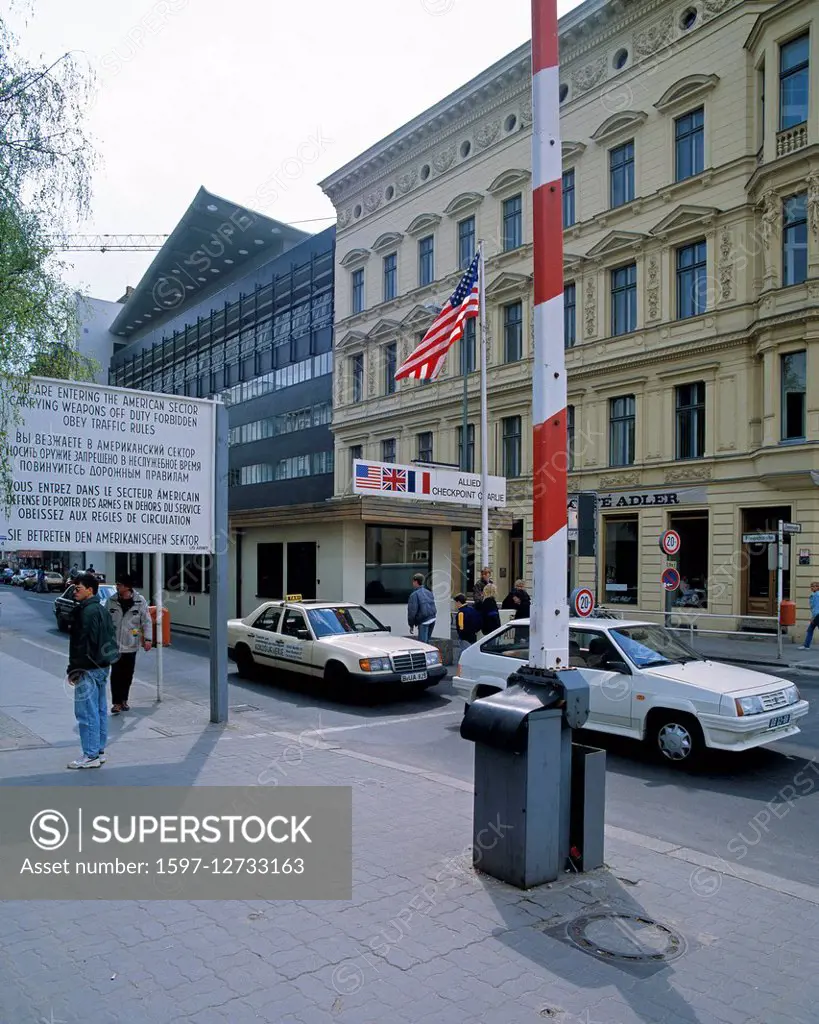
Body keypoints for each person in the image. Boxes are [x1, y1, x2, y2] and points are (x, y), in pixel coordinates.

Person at [66, 573, 119, 769]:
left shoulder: (86, 612)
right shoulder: (101, 609)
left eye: (78, 588)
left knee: (86, 713)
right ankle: (99, 751)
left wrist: (74, 669)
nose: (74, 591)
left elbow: (81, 644)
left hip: (87, 668)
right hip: (102, 666)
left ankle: (90, 755)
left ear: (90, 589)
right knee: (99, 710)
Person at [108, 574, 153, 714]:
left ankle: (124, 700)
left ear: (127, 587)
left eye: (119, 584)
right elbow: (104, 620)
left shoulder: (140, 601)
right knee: (115, 674)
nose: (117, 587)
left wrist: (148, 639)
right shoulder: (111, 601)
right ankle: (116, 703)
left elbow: (146, 621)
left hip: (131, 644)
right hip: (114, 645)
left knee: (127, 674)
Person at [407, 573, 437, 643]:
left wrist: (411, 625)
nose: (412, 583)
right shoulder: (429, 592)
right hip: (432, 618)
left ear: (416, 582)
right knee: (427, 643)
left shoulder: (414, 595)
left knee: (423, 644)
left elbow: (412, 611)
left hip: (424, 621)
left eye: (413, 581)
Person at [800, 582, 819, 650]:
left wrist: (813, 617)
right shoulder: (814, 594)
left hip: (817, 616)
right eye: (811, 586)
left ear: (817, 587)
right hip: (816, 615)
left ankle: (806, 645)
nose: (811, 588)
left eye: (813, 586)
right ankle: (806, 645)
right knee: (810, 630)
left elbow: (816, 607)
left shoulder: (817, 595)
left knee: (810, 630)